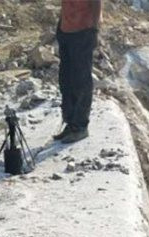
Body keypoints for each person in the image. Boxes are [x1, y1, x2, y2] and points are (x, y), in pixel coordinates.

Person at [54, 0, 102, 144]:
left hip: (83, 31)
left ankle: (80, 126)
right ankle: (70, 123)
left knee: (81, 81)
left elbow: (96, 3)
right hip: (66, 30)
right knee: (66, 80)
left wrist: (94, 29)